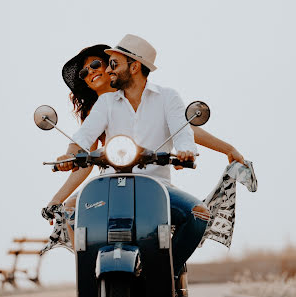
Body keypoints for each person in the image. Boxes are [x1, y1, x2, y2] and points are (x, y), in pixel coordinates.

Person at [50, 35, 244, 278]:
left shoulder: (167, 97)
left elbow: (183, 129)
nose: (107, 70)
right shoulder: (106, 102)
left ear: (134, 66)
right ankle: (90, 278)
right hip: (109, 184)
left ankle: (165, 273)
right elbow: (82, 138)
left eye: (112, 64)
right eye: (103, 65)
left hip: (155, 185)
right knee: (69, 212)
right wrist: (69, 155)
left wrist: (187, 151)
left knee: (199, 214)